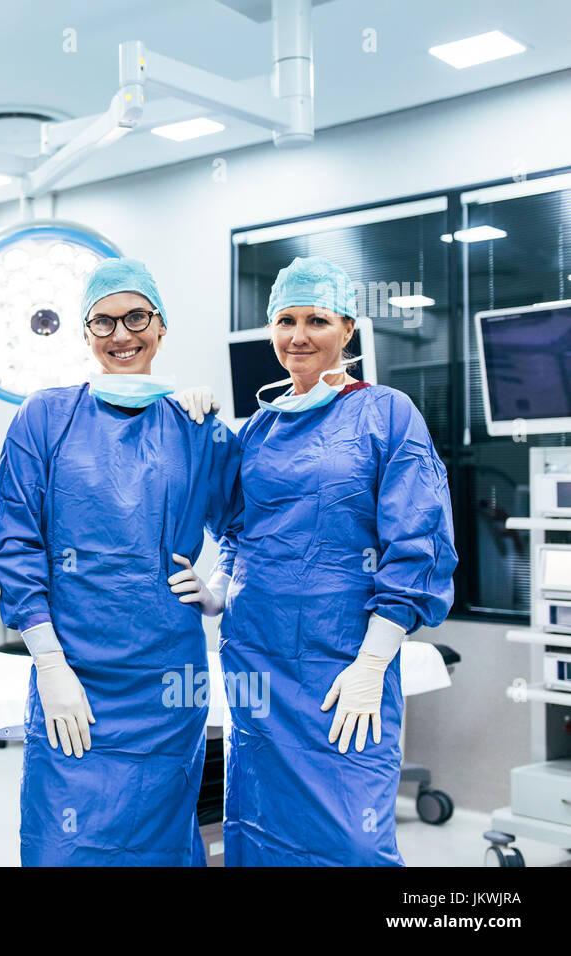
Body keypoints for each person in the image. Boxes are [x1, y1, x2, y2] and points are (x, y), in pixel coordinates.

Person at [0, 257, 243, 866]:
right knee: (63, 842)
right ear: (84, 332)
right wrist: (48, 663)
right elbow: (15, 545)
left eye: (136, 317)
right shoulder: (44, 417)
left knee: (160, 842)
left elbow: (247, 527)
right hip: (72, 670)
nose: (121, 335)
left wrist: (218, 588)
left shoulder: (194, 423)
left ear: (161, 326)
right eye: (103, 322)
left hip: (163, 680)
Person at [213, 256, 457, 866]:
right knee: (260, 826)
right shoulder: (259, 428)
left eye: (316, 320)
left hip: (344, 660)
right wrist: (219, 584)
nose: (298, 336)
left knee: (352, 837)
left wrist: (375, 659)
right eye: (285, 320)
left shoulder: (387, 413)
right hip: (257, 657)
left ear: (348, 329)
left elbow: (418, 540)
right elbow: (239, 529)